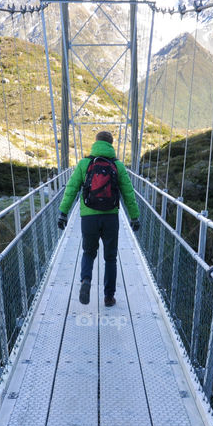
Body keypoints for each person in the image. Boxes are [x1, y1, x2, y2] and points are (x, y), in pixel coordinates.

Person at [57, 130, 140, 307]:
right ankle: (109, 297)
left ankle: (86, 280)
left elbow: (71, 189)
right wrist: (134, 217)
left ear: (95, 143)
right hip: (110, 217)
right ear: (111, 145)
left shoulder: (85, 164)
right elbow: (128, 194)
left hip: (89, 217)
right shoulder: (118, 166)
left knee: (88, 252)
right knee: (110, 258)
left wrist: (63, 213)